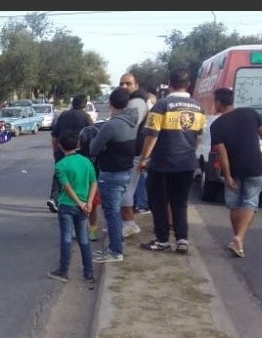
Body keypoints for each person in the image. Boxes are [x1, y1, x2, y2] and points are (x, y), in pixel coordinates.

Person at [137, 68, 206, 254]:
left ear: (169, 83)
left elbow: (151, 136)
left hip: (162, 163)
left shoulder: (162, 105)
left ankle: (162, 241)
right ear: (188, 84)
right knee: (180, 202)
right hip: (187, 162)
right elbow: (199, 137)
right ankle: (182, 239)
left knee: (159, 202)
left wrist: (143, 159)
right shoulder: (199, 107)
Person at [210, 87, 262, 258]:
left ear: (219, 103)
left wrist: (227, 175)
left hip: (234, 169)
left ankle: (238, 239)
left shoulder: (217, 125)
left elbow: (222, 153)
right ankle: (239, 240)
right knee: (250, 203)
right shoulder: (250, 113)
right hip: (254, 166)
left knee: (235, 204)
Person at [88, 87, 138, 263]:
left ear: (110, 104)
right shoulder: (132, 122)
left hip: (111, 173)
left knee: (112, 212)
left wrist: (102, 145)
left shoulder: (112, 125)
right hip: (125, 171)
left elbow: (94, 148)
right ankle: (117, 243)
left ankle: (115, 250)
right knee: (114, 210)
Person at [47, 130, 97, 283]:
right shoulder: (86, 161)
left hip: (67, 205)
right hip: (84, 206)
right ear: (78, 145)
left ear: (60, 146)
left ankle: (63, 271)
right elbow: (93, 183)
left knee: (66, 238)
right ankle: (88, 273)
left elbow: (66, 187)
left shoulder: (61, 165)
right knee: (84, 239)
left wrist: (79, 202)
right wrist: (88, 203)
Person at [117, 72, 150, 238]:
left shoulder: (136, 102)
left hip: (134, 153)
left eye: (128, 84)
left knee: (126, 190)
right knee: (126, 189)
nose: (124, 87)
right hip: (134, 152)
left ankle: (129, 224)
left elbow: (128, 126)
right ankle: (124, 223)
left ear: (136, 86)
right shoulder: (133, 102)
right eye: (121, 83)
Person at [48, 94, 93, 213]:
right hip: (80, 152)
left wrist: (55, 149)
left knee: (59, 174)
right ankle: (79, 200)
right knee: (79, 176)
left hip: (62, 150)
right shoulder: (86, 117)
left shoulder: (63, 115)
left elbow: (54, 135)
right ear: (84, 104)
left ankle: (54, 198)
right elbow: (91, 134)